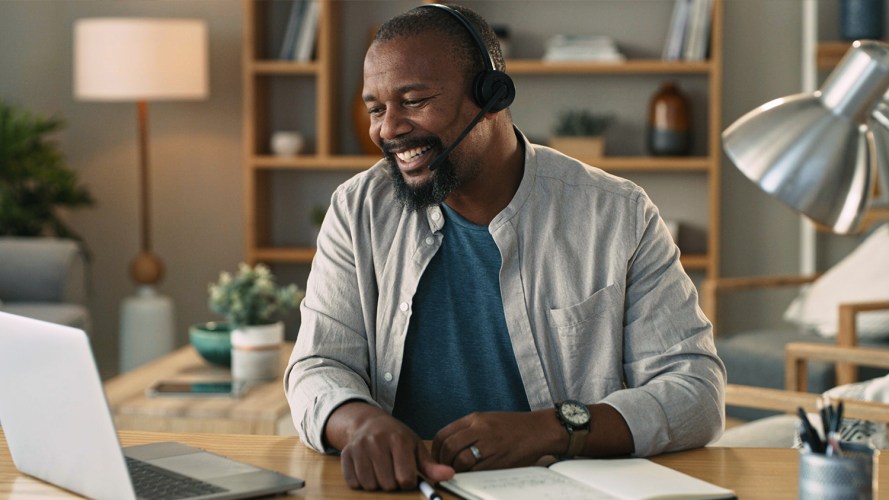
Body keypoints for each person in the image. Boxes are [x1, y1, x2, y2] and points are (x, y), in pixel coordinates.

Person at [284, 3, 726, 492]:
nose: (388, 129)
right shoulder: (358, 210)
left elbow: (695, 391)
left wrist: (552, 428)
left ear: (491, 95)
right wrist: (359, 421)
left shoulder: (616, 214)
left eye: (413, 100)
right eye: (376, 108)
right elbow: (318, 365)